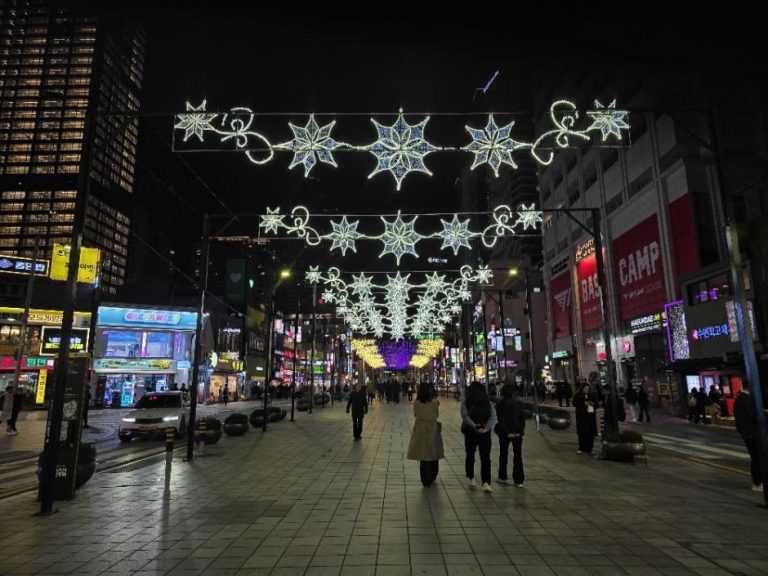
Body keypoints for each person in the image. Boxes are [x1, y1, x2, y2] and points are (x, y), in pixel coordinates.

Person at [461, 381, 497, 493]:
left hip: (471, 432)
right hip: (485, 434)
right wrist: (485, 428)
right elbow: (493, 417)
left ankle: (471, 477)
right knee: (485, 458)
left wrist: (474, 426)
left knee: (470, 455)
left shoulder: (465, 402)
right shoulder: (488, 402)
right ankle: (486, 482)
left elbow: (465, 417)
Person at [407, 382, 444, 487]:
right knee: (433, 453)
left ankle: (425, 480)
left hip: (420, 428)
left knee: (423, 455)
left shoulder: (416, 403)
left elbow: (415, 414)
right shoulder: (434, 402)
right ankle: (432, 477)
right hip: (432, 428)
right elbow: (436, 414)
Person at [733, 385, 764, 492]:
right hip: (752, 433)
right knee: (757, 458)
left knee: (756, 458)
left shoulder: (739, 399)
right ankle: (758, 482)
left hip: (748, 433)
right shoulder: (745, 399)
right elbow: (754, 415)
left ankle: (758, 482)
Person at [495, 383, 525, 487]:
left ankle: (502, 477)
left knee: (503, 454)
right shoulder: (519, 404)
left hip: (504, 433)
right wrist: (520, 432)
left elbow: (501, 420)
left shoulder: (499, 404)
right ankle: (519, 480)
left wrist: (507, 432)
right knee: (518, 456)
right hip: (517, 433)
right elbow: (522, 419)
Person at [573, 383, 598, 454]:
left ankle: (590, 448)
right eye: (585, 389)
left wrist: (593, 404)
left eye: (588, 389)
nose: (587, 390)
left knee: (591, 433)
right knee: (582, 433)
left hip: (590, 417)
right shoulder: (578, 395)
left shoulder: (592, 395)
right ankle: (581, 448)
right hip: (582, 417)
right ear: (582, 389)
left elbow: (596, 404)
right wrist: (583, 404)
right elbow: (574, 403)